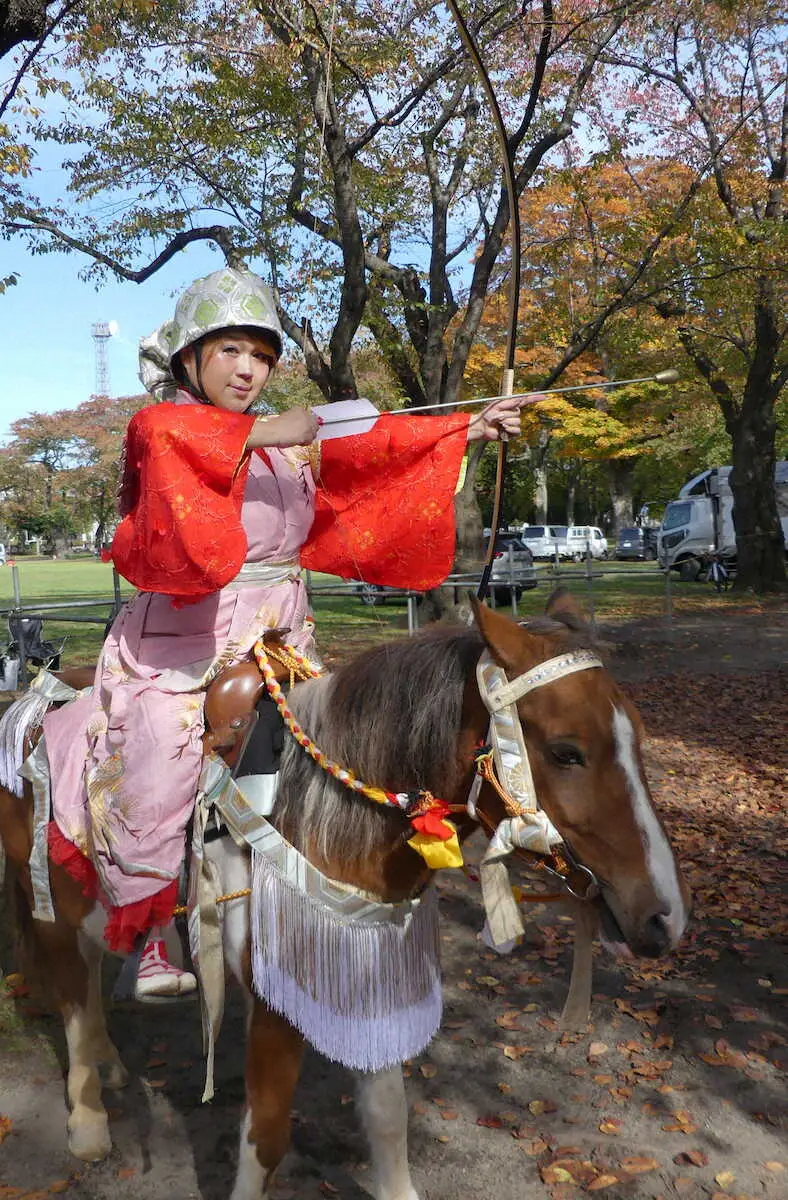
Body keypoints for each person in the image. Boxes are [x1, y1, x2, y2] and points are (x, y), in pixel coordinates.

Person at [39, 267, 533, 999]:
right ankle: (150, 932)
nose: (248, 369)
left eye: (262, 356)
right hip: (181, 645)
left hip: (281, 637)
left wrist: (471, 424)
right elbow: (175, 439)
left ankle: (322, 899)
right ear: (188, 359)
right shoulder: (163, 426)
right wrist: (278, 428)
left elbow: (382, 445)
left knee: (342, 753)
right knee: (158, 752)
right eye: (231, 351)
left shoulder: (293, 441)